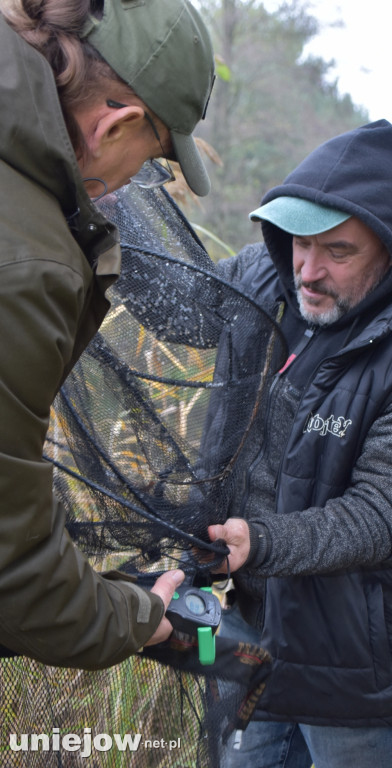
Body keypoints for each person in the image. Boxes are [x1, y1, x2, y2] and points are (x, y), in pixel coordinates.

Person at [206, 119, 392, 768]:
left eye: (338, 251)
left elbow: (381, 517)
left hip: (360, 676)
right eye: (298, 242)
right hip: (250, 631)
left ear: (391, 251)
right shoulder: (268, 280)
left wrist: (260, 541)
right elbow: (181, 301)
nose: (308, 268)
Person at [0, 0, 215, 668]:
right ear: (116, 123)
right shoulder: (30, 265)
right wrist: (141, 618)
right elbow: (16, 574)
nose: (132, 184)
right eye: (150, 158)